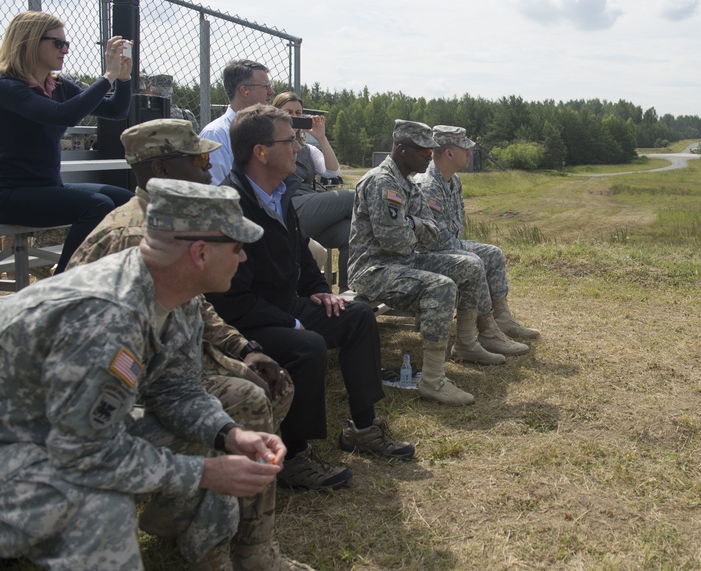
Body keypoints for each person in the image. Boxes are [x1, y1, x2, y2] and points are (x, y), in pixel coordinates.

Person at [0, 178, 289, 570]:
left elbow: (176, 389)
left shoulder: (174, 293)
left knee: (208, 445)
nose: (243, 259)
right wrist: (204, 473)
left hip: (56, 433)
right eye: (237, 248)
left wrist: (230, 434)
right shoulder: (106, 317)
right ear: (200, 253)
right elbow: (83, 454)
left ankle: (209, 559)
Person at [65, 119, 307, 568]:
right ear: (159, 168)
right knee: (246, 406)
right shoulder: (135, 238)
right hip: (110, 392)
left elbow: (196, 308)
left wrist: (243, 348)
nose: (207, 169)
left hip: (164, 369)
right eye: (197, 161)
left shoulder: (171, 222)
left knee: (273, 385)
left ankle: (207, 519)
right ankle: (232, 538)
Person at [209, 104, 414, 476]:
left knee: (356, 316)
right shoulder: (231, 206)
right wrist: (293, 320)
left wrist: (321, 289)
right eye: (290, 141)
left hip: (284, 308)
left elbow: (301, 255)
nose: (299, 148)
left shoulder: (278, 193)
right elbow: (230, 301)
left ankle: (363, 428)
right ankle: (295, 457)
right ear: (261, 152)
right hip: (248, 322)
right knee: (307, 346)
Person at [348, 120, 505, 406]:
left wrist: (411, 224)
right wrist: (416, 226)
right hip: (373, 270)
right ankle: (433, 379)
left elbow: (431, 233)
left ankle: (468, 344)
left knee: (469, 266)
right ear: (401, 149)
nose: (428, 157)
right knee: (442, 286)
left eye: (430, 150)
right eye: (422, 152)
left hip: (403, 262)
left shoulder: (406, 183)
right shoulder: (382, 182)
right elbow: (394, 242)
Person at [0, 10, 134, 273]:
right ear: (29, 42)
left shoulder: (57, 85)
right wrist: (107, 76)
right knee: (96, 205)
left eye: (67, 44)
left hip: (47, 186)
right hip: (8, 194)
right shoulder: (8, 86)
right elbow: (62, 114)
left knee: (127, 201)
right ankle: (63, 285)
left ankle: (108, 277)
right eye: (58, 43)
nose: (65, 50)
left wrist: (124, 79)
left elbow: (116, 111)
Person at [414, 125, 540, 341]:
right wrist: (467, 252)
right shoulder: (428, 185)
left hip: (447, 246)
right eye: (465, 149)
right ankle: (486, 327)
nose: (470, 154)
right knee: (476, 259)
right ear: (449, 153)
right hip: (427, 254)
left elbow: (455, 227)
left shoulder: (453, 180)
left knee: (493, 253)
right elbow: (435, 241)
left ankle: (500, 318)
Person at [272, 91, 354, 292]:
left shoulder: (308, 149)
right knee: (354, 196)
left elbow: (333, 171)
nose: (294, 117)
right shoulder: (270, 143)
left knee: (352, 233)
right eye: (288, 112)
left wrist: (321, 137)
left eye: (298, 112)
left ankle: (346, 292)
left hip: (312, 209)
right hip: (289, 206)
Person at [200, 59, 275, 185]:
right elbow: (216, 191)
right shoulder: (215, 135)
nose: (271, 92)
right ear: (244, 91)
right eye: (265, 86)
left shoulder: (265, 130)